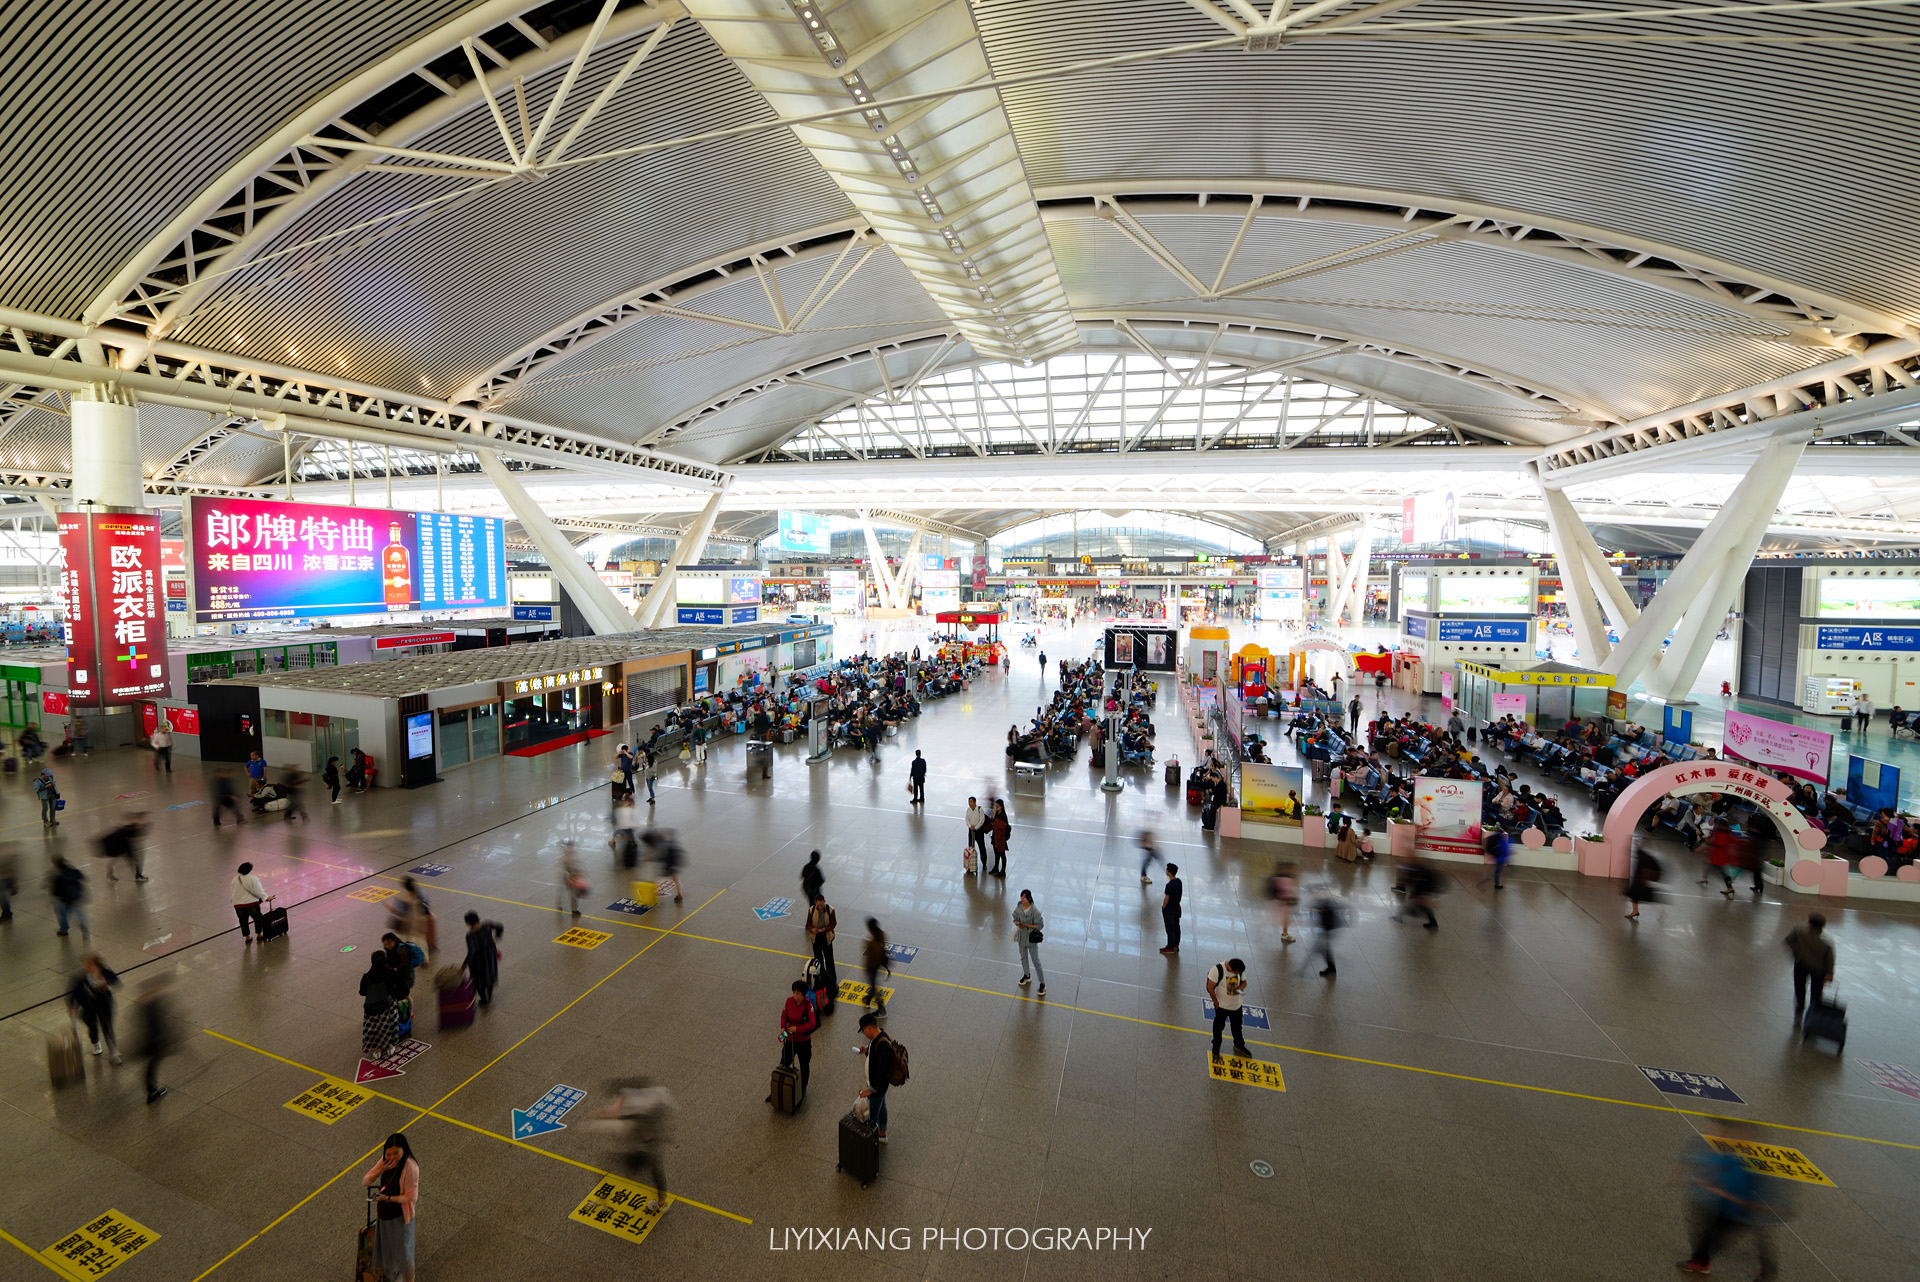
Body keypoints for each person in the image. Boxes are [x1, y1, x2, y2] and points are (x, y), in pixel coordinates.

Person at [1678, 1130, 1777, 1277]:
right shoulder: (1734, 1157)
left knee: (1714, 1235)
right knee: (1712, 1234)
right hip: (1731, 1208)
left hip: (1738, 1210)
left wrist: (1722, 1192)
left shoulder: (1756, 1164)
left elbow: (1756, 1192)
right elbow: (1718, 1167)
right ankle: (1767, 1271)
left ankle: (1700, 1262)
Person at [597, 1080, 672, 1213]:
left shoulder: (633, 1106)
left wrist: (607, 1119)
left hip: (642, 1145)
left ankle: (607, 1195)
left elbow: (626, 1122)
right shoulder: (649, 1095)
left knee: (630, 1165)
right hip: (650, 1139)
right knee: (655, 1169)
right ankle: (661, 1202)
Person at [361, 1133, 421, 1282]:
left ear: (404, 1150)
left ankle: (409, 1279)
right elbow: (365, 1181)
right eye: (388, 1154)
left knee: (404, 1255)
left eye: (396, 1153)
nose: (392, 1157)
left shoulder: (410, 1167)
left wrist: (388, 1198)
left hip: (400, 1218)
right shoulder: (385, 1161)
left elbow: (411, 1197)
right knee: (388, 1252)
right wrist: (380, 1170)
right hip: (384, 1217)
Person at [67, 954, 122, 1063]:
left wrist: (108, 986)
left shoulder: (105, 972)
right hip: (89, 1005)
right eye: (85, 966)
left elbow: (116, 982)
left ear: (96, 965)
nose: (87, 968)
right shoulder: (82, 977)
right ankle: (96, 1042)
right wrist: (72, 1005)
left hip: (105, 1003)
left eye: (89, 965)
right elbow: (73, 992)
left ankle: (114, 1052)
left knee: (107, 1026)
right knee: (91, 1024)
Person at [1784, 914, 1835, 1018]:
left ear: (1809, 923)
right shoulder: (1826, 941)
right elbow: (1829, 959)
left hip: (1801, 965)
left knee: (1800, 987)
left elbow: (1788, 940)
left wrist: (1796, 952)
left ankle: (1800, 1005)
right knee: (1816, 992)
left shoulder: (1798, 931)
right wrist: (1829, 973)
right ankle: (1813, 1011)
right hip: (1819, 970)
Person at [773, 979, 818, 1097]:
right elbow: (784, 1015)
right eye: (794, 992)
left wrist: (797, 1029)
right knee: (784, 1062)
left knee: (804, 1064)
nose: (795, 996)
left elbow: (812, 1024)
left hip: (803, 1041)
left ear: (803, 994)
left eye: (798, 993)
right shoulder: (789, 1001)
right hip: (789, 1038)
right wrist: (783, 1027)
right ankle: (779, 1086)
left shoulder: (808, 1005)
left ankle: (802, 1088)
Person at [856, 1012, 894, 1144]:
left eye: (863, 1031)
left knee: (872, 1116)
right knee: (882, 1106)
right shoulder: (878, 1037)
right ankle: (882, 1134)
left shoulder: (882, 1044)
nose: (864, 1034)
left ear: (868, 1028)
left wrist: (870, 1090)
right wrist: (866, 1050)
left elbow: (881, 1072)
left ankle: (872, 1141)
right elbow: (876, 1055)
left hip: (877, 1088)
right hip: (879, 1087)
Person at [136, 975, 173, 1103]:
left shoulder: (145, 1004)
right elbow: (156, 1025)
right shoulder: (151, 1005)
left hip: (151, 1041)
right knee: (152, 1065)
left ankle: (151, 1089)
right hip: (154, 1042)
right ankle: (152, 1092)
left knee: (152, 1065)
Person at [1207, 957, 1251, 1059]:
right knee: (1218, 1027)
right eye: (1236, 973)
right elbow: (1210, 987)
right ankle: (1216, 1048)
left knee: (1237, 1027)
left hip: (1236, 1006)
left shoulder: (1238, 969)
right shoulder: (1217, 970)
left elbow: (1244, 982)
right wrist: (1216, 1002)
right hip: (1222, 1006)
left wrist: (1241, 987)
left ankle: (1239, 1045)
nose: (1237, 975)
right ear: (1230, 968)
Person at [360, 951, 398, 1063]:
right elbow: (394, 987)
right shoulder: (389, 972)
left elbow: (362, 992)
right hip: (387, 1005)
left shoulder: (366, 977)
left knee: (375, 1027)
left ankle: (377, 1049)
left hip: (371, 1007)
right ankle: (389, 1046)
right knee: (387, 1025)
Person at [462, 911, 504, 1008]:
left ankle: (484, 1000)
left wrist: (464, 965)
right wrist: (497, 937)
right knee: (489, 976)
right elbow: (500, 926)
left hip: (478, 962)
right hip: (490, 957)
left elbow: (472, 952)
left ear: (468, 923)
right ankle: (489, 995)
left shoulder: (470, 935)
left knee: (478, 981)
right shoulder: (487, 925)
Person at [1012, 890, 1046, 997]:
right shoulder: (1019, 907)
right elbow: (1014, 917)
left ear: (1029, 898)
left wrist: (1026, 925)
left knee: (1035, 960)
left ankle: (1042, 983)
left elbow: (1040, 925)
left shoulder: (1035, 911)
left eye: (1024, 897)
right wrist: (1017, 923)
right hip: (1021, 938)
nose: (1022, 899)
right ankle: (1027, 975)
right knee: (1023, 957)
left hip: (1031, 939)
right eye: (1021, 897)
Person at [806, 893, 837, 1001]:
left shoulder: (830, 910)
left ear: (824, 901)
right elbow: (808, 924)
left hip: (826, 937)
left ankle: (832, 980)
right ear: (815, 903)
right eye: (818, 905)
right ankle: (822, 977)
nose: (820, 907)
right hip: (816, 937)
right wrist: (812, 929)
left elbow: (834, 923)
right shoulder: (811, 910)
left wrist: (826, 929)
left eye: (822, 904)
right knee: (818, 959)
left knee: (829, 958)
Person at [100, 813, 149, 882]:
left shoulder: (127, 827)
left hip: (121, 846)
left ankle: (110, 876)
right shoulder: (127, 829)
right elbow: (131, 838)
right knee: (134, 860)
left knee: (115, 861)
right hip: (121, 847)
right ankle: (138, 876)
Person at [49, 854, 88, 939]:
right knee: (79, 912)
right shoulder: (71, 869)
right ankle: (84, 926)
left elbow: (56, 892)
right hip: (77, 895)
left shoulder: (58, 877)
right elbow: (81, 876)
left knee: (62, 913)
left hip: (66, 899)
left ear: (55, 864)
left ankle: (64, 930)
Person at [1307, 890, 1344, 978]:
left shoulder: (1324, 905)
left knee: (1325, 949)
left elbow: (1327, 920)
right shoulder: (1322, 904)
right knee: (1324, 949)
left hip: (1330, 929)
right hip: (1329, 929)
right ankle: (1331, 968)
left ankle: (1331, 969)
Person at [231, 862, 269, 942]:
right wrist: (266, 897)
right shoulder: (253, 878)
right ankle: (259, 935)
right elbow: (258, 891)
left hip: (238, 905)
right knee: (258, 918)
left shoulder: (235, 879)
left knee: (243, 921)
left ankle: (247, 937)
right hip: (251, 904)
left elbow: (233, 892)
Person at [860, 918, 890, 1014]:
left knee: (873, 987)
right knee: (873, 984)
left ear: (870, 929)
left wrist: (867, 969)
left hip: (872, 967)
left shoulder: (871, 943)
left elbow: (870, 959)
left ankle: (880, 1007)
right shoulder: (882, 935)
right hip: (878, 964)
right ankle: (868, 1000)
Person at [1624, 846, 1662, 921]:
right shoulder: (1642, 857)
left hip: (1651, 874)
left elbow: (1645, 872)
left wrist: (1644, 880)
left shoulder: (1643, 859)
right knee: (1634, 893)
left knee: (1642, 894)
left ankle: (1662, 912)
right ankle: (1635, 911)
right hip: (1649, 874)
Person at [1270, 860, 1300, 944]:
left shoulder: (1286, 878)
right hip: (1284, 902)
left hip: (1285, 901)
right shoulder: (1282, 879)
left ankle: (1285, 933)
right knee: (1285, 918)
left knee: (1285, 918)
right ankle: (1285, 934)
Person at [1159, 863, 1183, 955]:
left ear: (1169, 872)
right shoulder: (1179, 881)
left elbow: (1166, 898)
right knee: (1176, 926)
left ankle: (1170, 947)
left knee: (1170, 928)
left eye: (1167, 869)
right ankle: (1176, 945)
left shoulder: (1169, 885)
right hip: (1176, 907)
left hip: (1169, 909)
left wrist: (1163, 906)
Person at [560, 840, 586, 917]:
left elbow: (578, 866)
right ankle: (574, 910)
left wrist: (581, 873)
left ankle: (561, 904)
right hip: (569, 878)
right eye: (570, 847)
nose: (571, 849)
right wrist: (569, 878)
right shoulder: (565, 858)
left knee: (572, 893)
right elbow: (564, 870)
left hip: (574, 877)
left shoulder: (573, 856)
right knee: (572, 894)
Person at [988, 798, 1011, 878]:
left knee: (1002, 854)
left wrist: (994, 819)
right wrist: (994, 814)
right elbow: (992, 822)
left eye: (997, 806)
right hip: (995, 836)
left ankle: (1003, 870)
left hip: (1001, 838)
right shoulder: (997, 814)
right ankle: (996, 867)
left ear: (1001, 807)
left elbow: (996, 824)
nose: (996, 808)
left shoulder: (1003, 816)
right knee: (996, 853)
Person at [964, 796, 989, 868]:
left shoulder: (980, 810)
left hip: (979, 831)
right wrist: (970, 826)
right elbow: (967, 819)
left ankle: (984, 863)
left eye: (971, 802)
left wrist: (976, 827)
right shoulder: (968, 810)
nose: (970, 804)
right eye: (969, 802)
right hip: (971, 831)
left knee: (981, 847)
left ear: (975, 802)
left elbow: (982, 820)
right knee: (970, 847)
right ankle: (970, 864)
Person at [0, 843, 17, 922]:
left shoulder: (3, 857)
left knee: (3, 899)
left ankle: (7, 914)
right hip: (8, 879)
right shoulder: (9, 856)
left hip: (3, 880)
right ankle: (7, 914)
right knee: (4, 898)